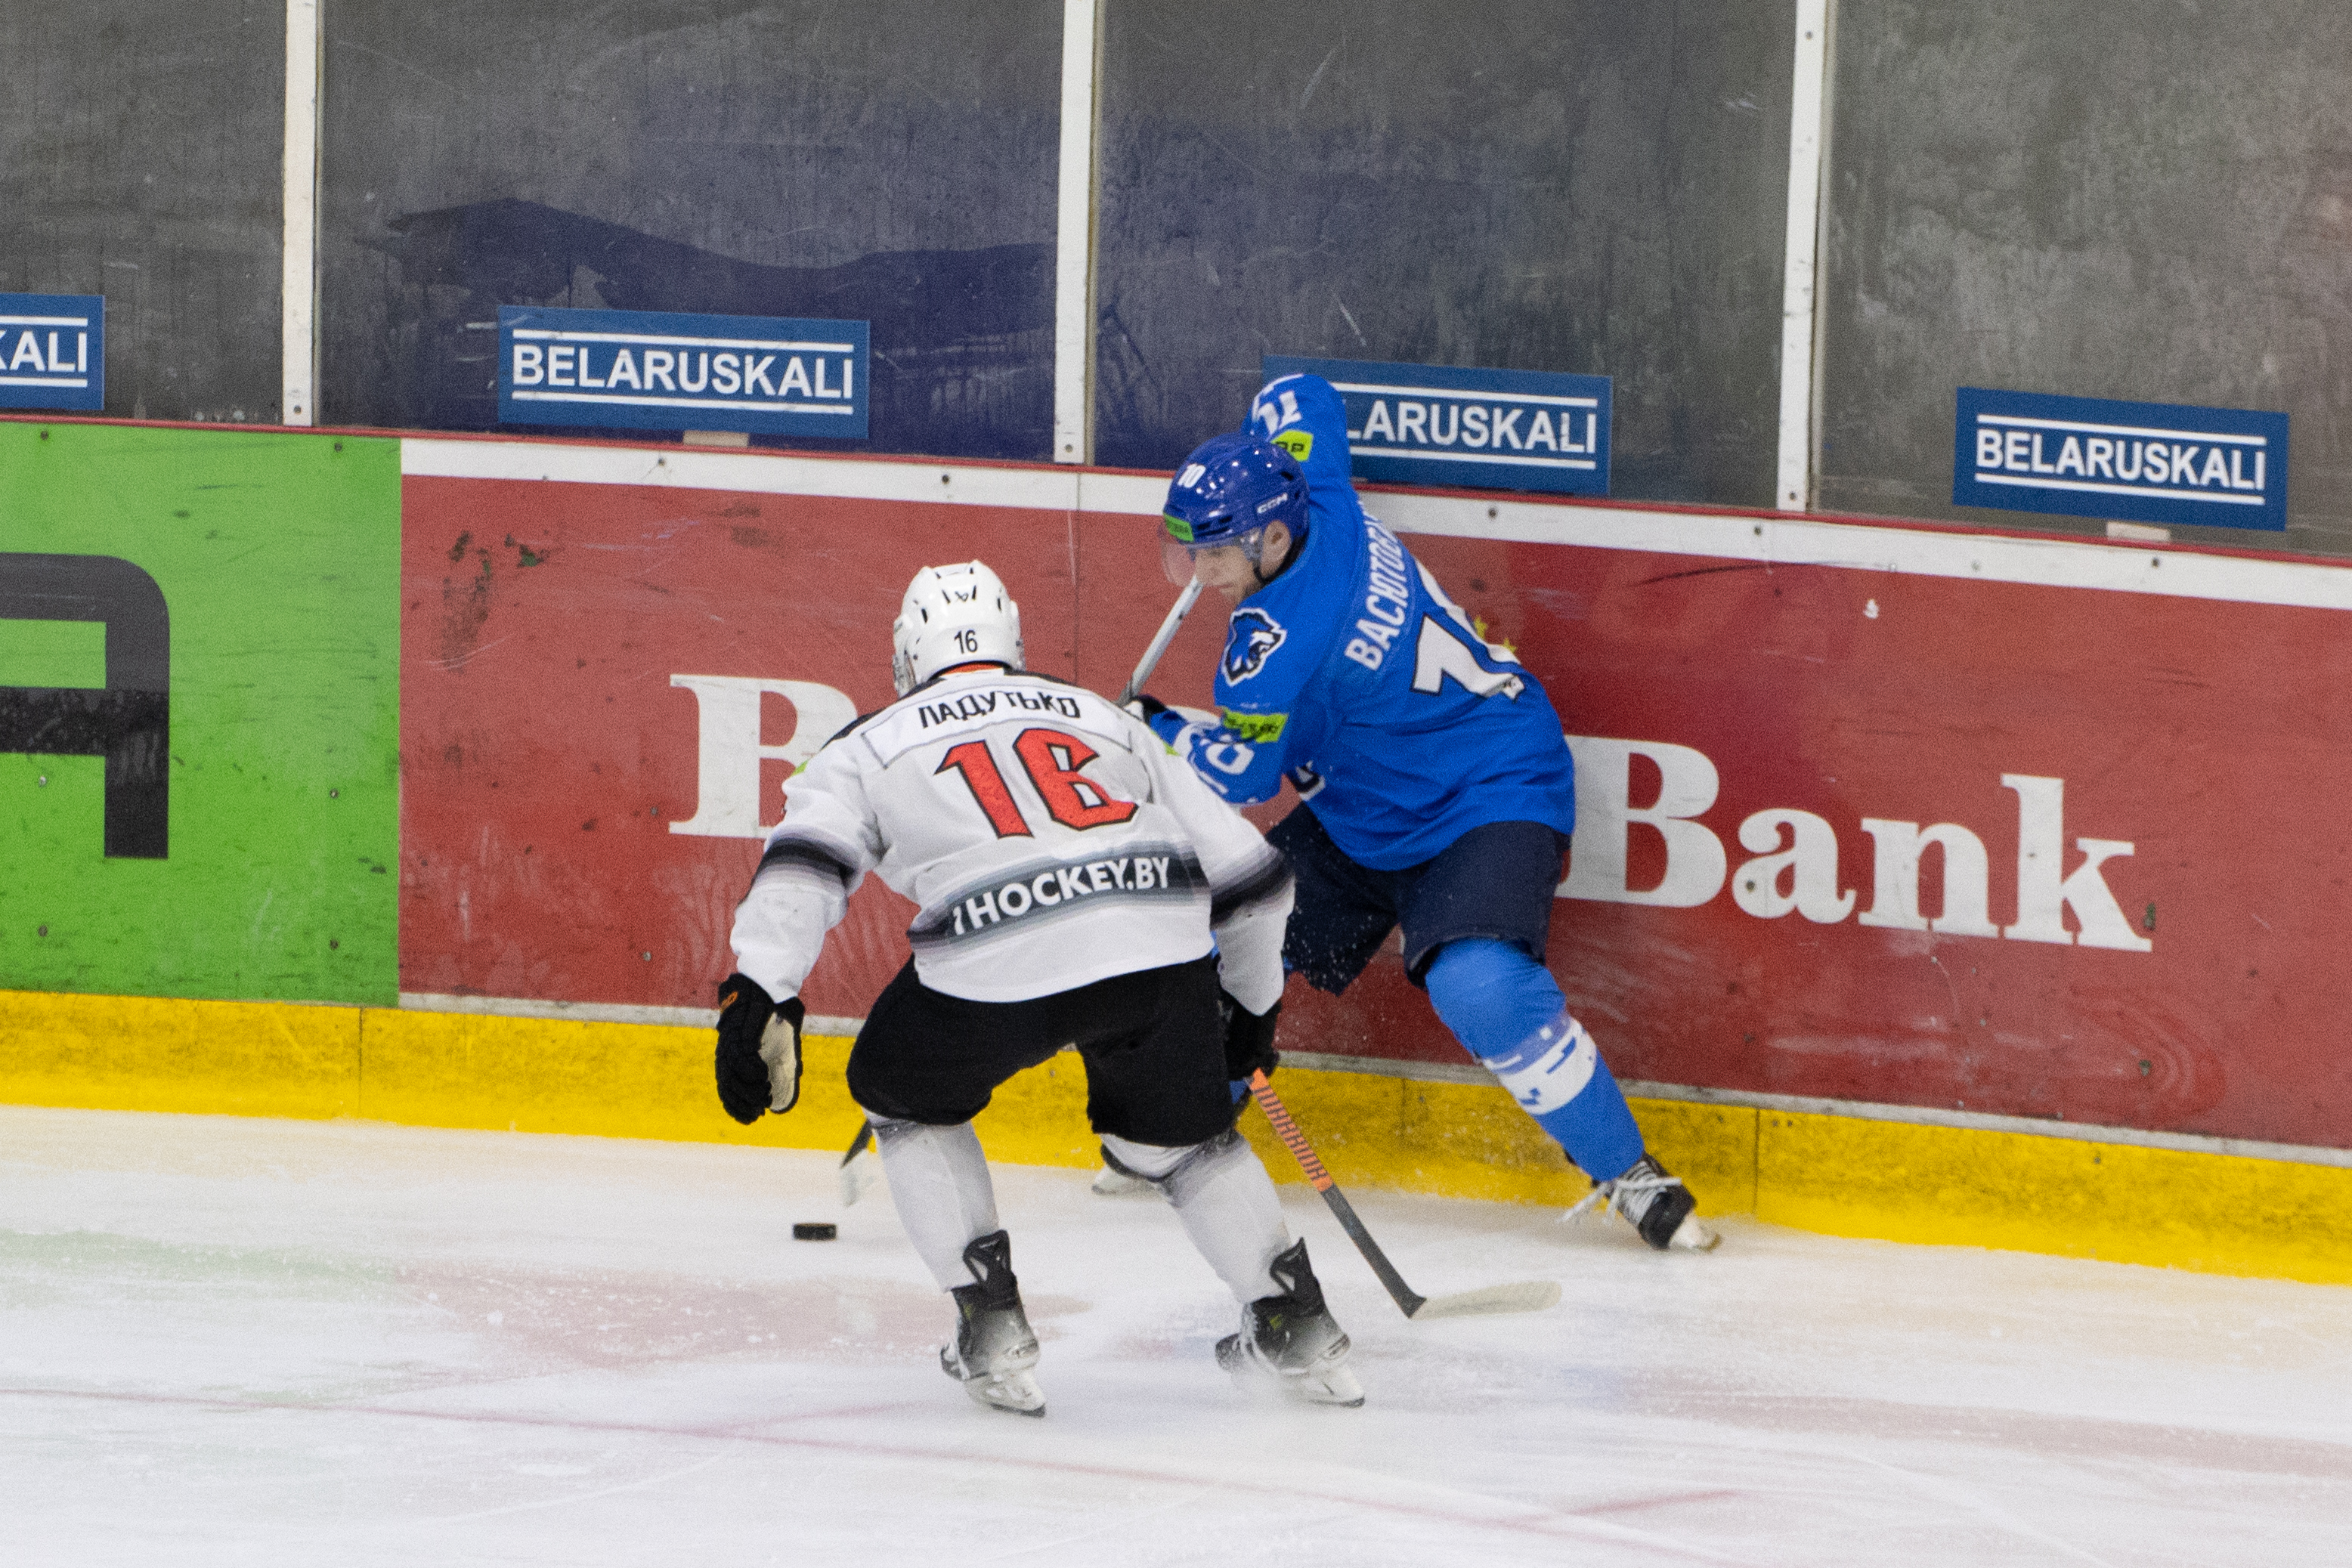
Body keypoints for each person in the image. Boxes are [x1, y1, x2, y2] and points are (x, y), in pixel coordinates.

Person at [712, 559, 1363, 1417]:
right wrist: (1251, 1005)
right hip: (1154, 942)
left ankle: (991, 1328)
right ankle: (1297, 1325)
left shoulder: (867, 742)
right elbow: (1256, 879)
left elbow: (806, 864)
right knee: (1182, 1141)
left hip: (991, 952)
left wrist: (764, 986)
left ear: (906, 656)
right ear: (1014, 641)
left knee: (899, 1091)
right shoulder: (1103, 716)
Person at [1129, 374, 1718, 1253]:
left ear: (1272, 538)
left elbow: (1244, 773)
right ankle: (1190, 1127)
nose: (1201, 573)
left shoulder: (1272, 646)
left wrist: (1153, 727)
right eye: (1192, 550)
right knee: (1218, 945)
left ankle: (1628, 1171)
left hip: (1485, 789)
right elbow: (1300, 394)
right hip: (1362, 805)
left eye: (1215, 553)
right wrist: (1246, 464)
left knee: (1481, 985)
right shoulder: (1315, 485)